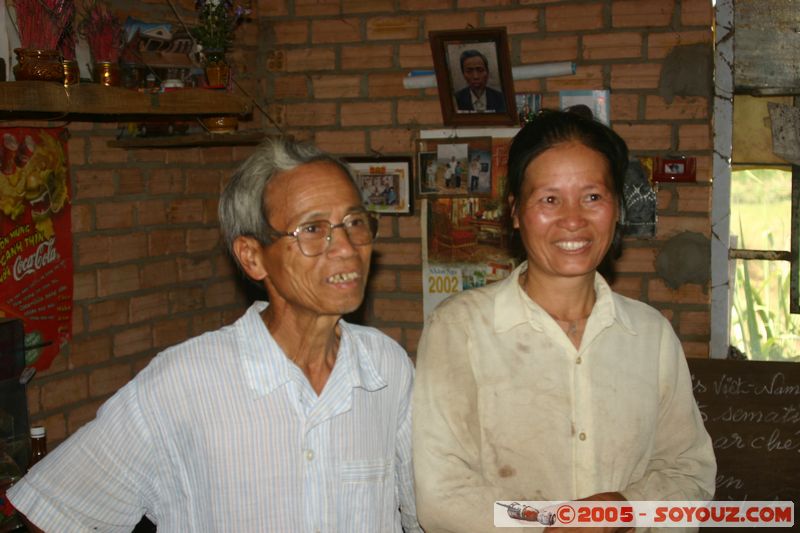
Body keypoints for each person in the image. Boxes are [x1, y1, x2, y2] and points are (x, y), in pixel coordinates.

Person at [9, 138, 423, 533]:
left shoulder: (387, 367)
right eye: (313, 229)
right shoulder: (186, 382)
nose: (347, 247)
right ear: (252, 257)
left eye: (354, 222)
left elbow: (433, 507)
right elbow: (58, 510)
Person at [413, 109, 716, 532]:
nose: (573, 219)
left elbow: (689, 471)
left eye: (592, 196)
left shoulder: (651, 335)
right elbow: (442, 495)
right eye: (549, 199)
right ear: (516, 212)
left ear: (617, 210)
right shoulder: (460, 328)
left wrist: (627, 509)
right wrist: (552, 524)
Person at [454, 49, 506, 113]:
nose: (475, 76)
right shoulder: (456, 99)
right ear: (463, 74)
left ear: (487, 72)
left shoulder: (501, 98)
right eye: (469, 71)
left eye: (480, 70)